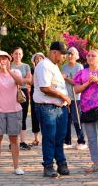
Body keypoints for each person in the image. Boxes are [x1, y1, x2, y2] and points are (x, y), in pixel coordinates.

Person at [33, 41, 71, 177]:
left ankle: (61, 163)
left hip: (59, 108)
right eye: (63, 55)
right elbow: (45, 88)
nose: (64, 58)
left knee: (59, 137)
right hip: (47, 107)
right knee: (49, 137)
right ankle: (48, 166)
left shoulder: (54, 66)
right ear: (55, 52)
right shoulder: (44, 65)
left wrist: (64, 101)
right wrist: (64, 96)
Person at [0, 51, 24, 177]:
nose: (3, 60)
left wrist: (8, 71)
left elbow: (21, 82)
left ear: (9, 60)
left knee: (14, 138)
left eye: (5, 58)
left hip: (14, 110)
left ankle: (16, 166)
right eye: (0, 59)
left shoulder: (16, 72)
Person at [62, 47, 87, 150]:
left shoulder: (79, 67)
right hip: (66, 96)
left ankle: (81, 141)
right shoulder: (64, 67)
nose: (70, 55)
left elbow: (78, 82)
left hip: (76, 97)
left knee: (77, 119)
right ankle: (67, 141)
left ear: (76, 56)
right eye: (68, 53)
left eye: (72, 54)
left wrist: (66, 78)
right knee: (66, 120)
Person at [11, 47, 32, 150]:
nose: (17, 56)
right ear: (12, 55)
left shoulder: (26, 66)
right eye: (15, 53)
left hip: (23, 93)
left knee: (23, 117)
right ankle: (13, 141)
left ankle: (23, 141)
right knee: (12, 117)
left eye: (19, 54)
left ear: (22, 55)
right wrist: (23, 80)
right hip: (10, 92)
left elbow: (30, 80)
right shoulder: (9, 66)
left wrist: (18, 80)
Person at [29, 52, 45, 146]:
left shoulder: (46, 69)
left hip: (45, 95)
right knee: (34, 116)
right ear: (34, 61)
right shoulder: (31, 70)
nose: (38, 60)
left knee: (44, 116)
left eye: (40, 58)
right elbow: (31, 82)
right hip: (34, 95)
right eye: (36, 59)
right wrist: (35, 69)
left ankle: (45, 137)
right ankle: (36, 138)